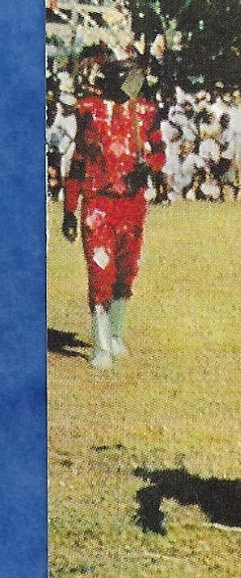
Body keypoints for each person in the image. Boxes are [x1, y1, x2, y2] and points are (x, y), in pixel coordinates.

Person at [61, 57, 165, 369]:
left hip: (132, 205)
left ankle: (116, 335)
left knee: (126, 270)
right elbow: (78, 160)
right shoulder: (88, 110)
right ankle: (101, 345)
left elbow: (159, 152)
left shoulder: (146, 112)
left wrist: (151, 167)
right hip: (98, 204)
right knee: (100, 272)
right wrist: (69, 210)